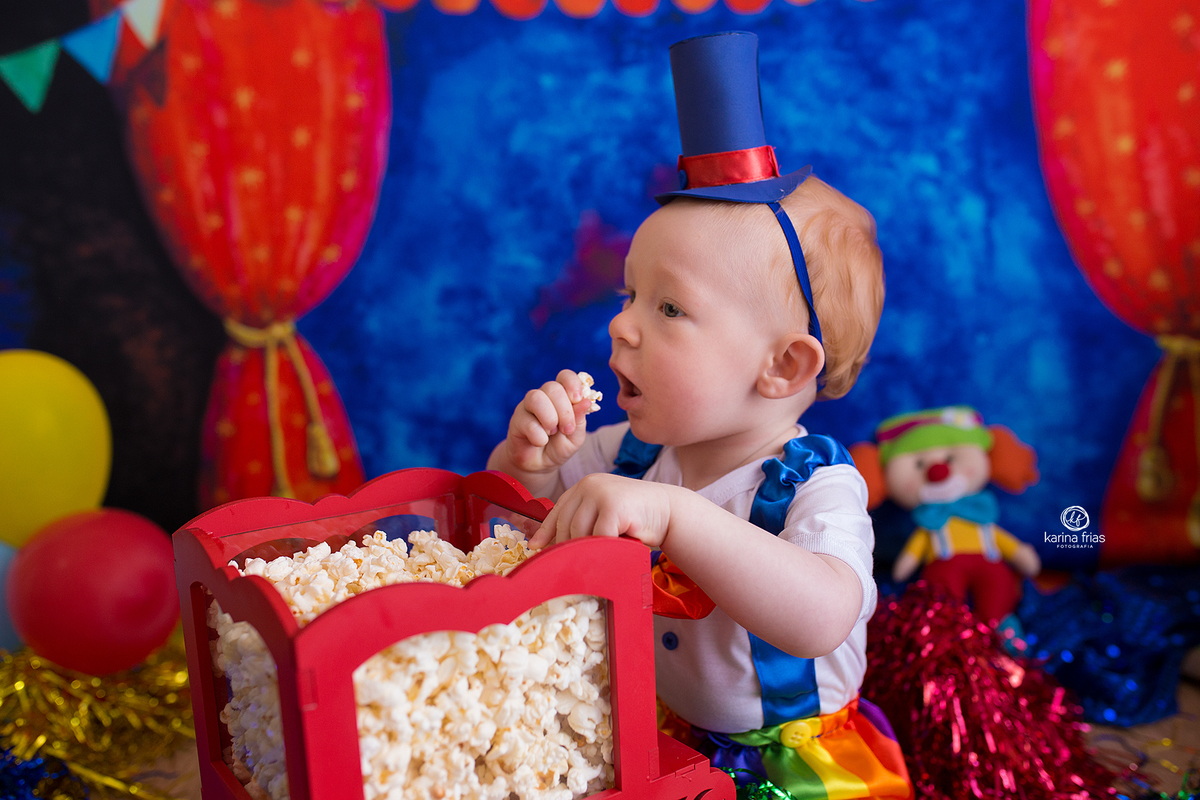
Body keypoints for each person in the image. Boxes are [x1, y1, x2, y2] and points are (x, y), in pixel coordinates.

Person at [489, 32, 912, 800]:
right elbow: (511, 532)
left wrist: (677, 515)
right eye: (629, 296)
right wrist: (527, 464)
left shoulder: (815, 484)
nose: (621, 326)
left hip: (786, 770)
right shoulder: (627, 457)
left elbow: (821, 615)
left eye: (670, 307)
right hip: (656, 738)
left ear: (782, 366)